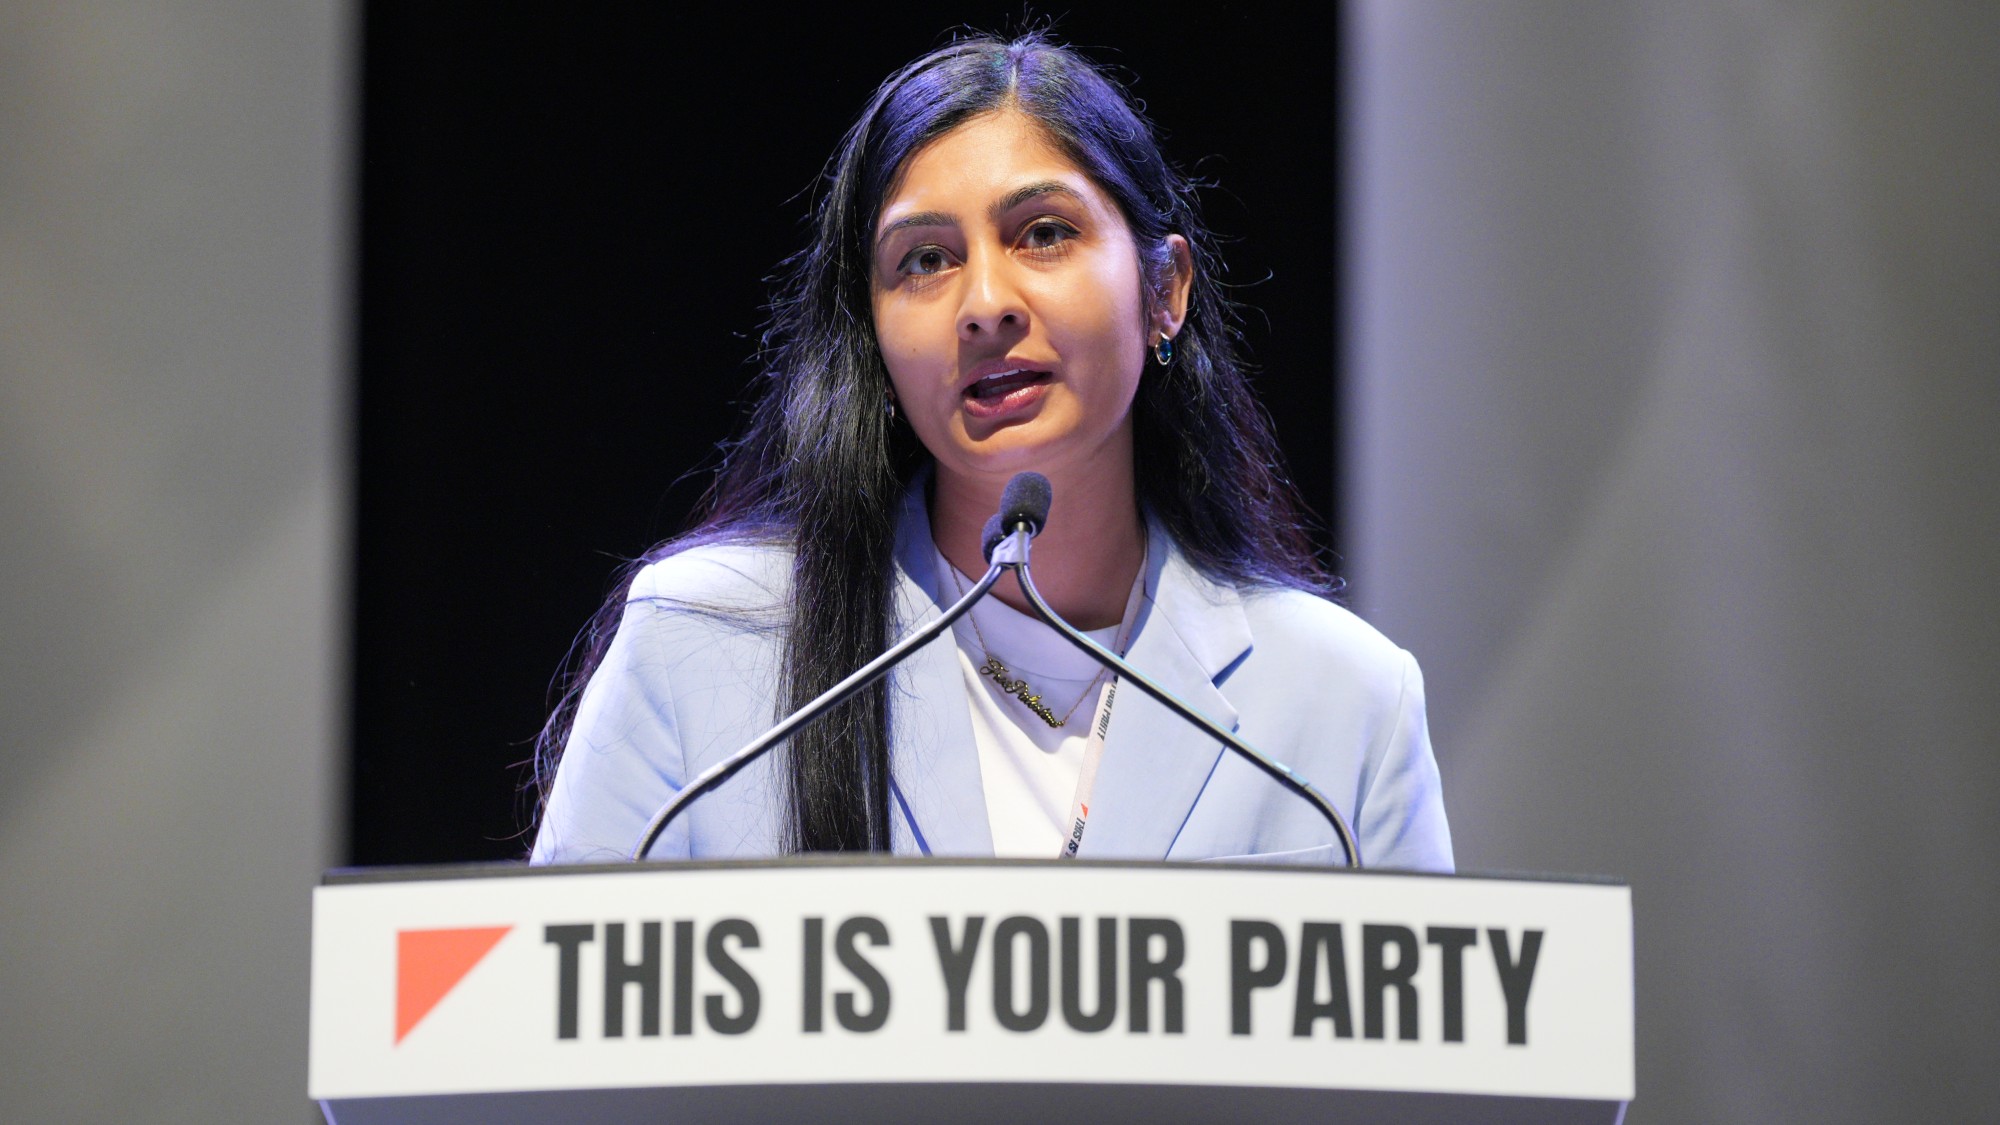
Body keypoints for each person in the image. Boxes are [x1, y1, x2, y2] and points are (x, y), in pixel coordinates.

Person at [529, 32, 1452, 871]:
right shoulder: (701, 643)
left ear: (1164, 289)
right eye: (923, 260)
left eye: (1043, 234)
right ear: (874, 336)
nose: (984, 303)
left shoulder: (1345, 702)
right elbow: (547, 1025)